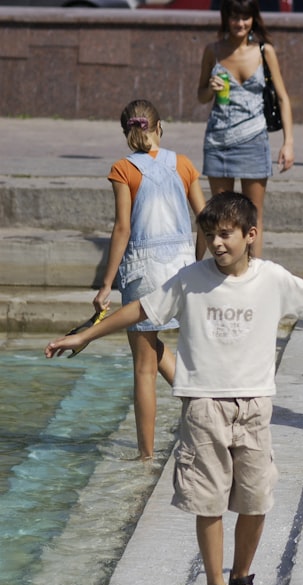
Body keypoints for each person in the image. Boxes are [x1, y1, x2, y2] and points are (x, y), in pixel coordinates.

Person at [44, 191, 303, 585]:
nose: (217, 243)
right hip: (203, 404)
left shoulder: (272, 278)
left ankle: (241, 578)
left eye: (225, 234)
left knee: (256, 497)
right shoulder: (191, 279)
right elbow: (139, 309)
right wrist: (85, 335)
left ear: (250, 235)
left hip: (255, 404)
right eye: (209, 235)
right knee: (208, 500)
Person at [92, 99, 205, 461]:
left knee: (143, 365)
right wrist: (199, 260)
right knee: (156, 352)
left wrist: (107, 283)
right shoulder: (184, 164)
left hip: (143, 270)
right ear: (161, 127)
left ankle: (145, 456)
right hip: (182, 266)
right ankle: (200, 402)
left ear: (127, 133)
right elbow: (205, 218)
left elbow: (123, 228)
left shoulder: (123, 169)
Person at [198, 0, 294, 258]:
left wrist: (288, 142)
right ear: (225, 18)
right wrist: (211, 88)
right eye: (235, 17)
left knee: (253, 216)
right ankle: (221, 272)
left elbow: (283, 98)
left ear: (254, 18)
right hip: (219, 142)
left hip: (253, 140)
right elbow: (201, 96)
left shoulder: (264, 51)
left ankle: (253, 276)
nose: (240, 23)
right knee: (219, 214)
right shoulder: (213, 51)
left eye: (245, 17)